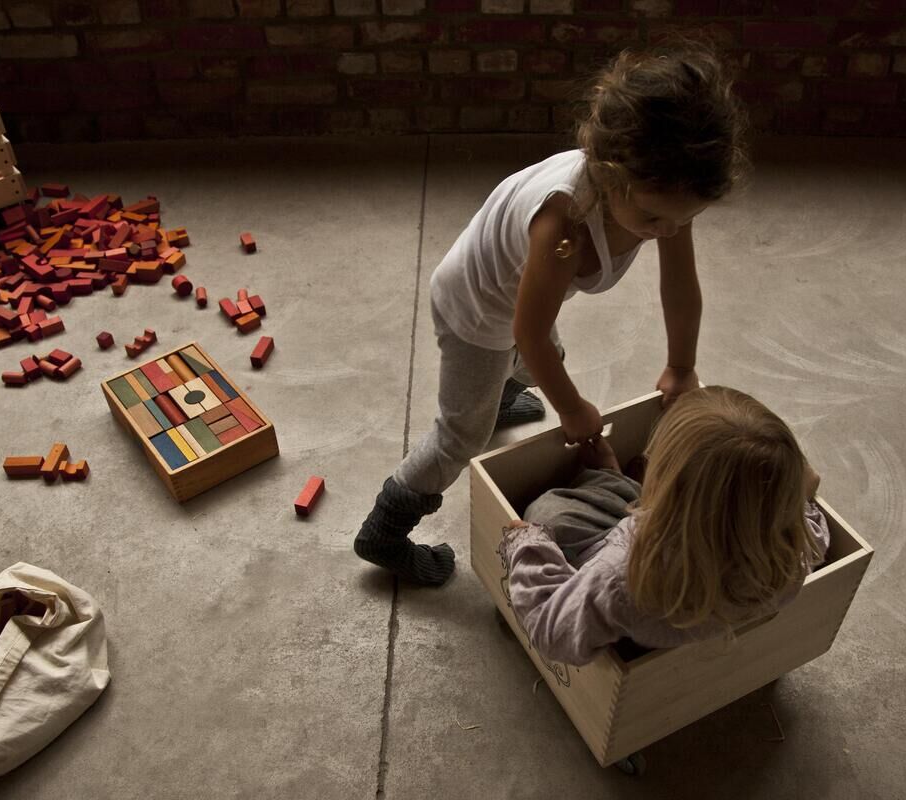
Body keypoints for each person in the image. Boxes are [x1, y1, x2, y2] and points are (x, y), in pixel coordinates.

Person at [354, 43, 751, 586]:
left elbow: (679, 286)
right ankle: (385, 530)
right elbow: (527, 332)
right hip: (476, 305)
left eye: (681, 220)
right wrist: (573, 409)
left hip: (524, 295)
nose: (666, 231)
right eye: (653, 218)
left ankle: (500, 396)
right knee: (462, 434)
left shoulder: (663, 198)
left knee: (543, 361)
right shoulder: (562, 220)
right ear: (611, 175)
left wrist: (682, 364)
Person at [500, 386, 830, 666]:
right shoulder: (791, 551)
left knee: (547, 512)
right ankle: (617, 484)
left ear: (667, 496)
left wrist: (527, 542)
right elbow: (809, 484)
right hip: (681, 595)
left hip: (628, 587)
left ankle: (612, 483)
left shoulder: (625, 574)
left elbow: (552, 631)